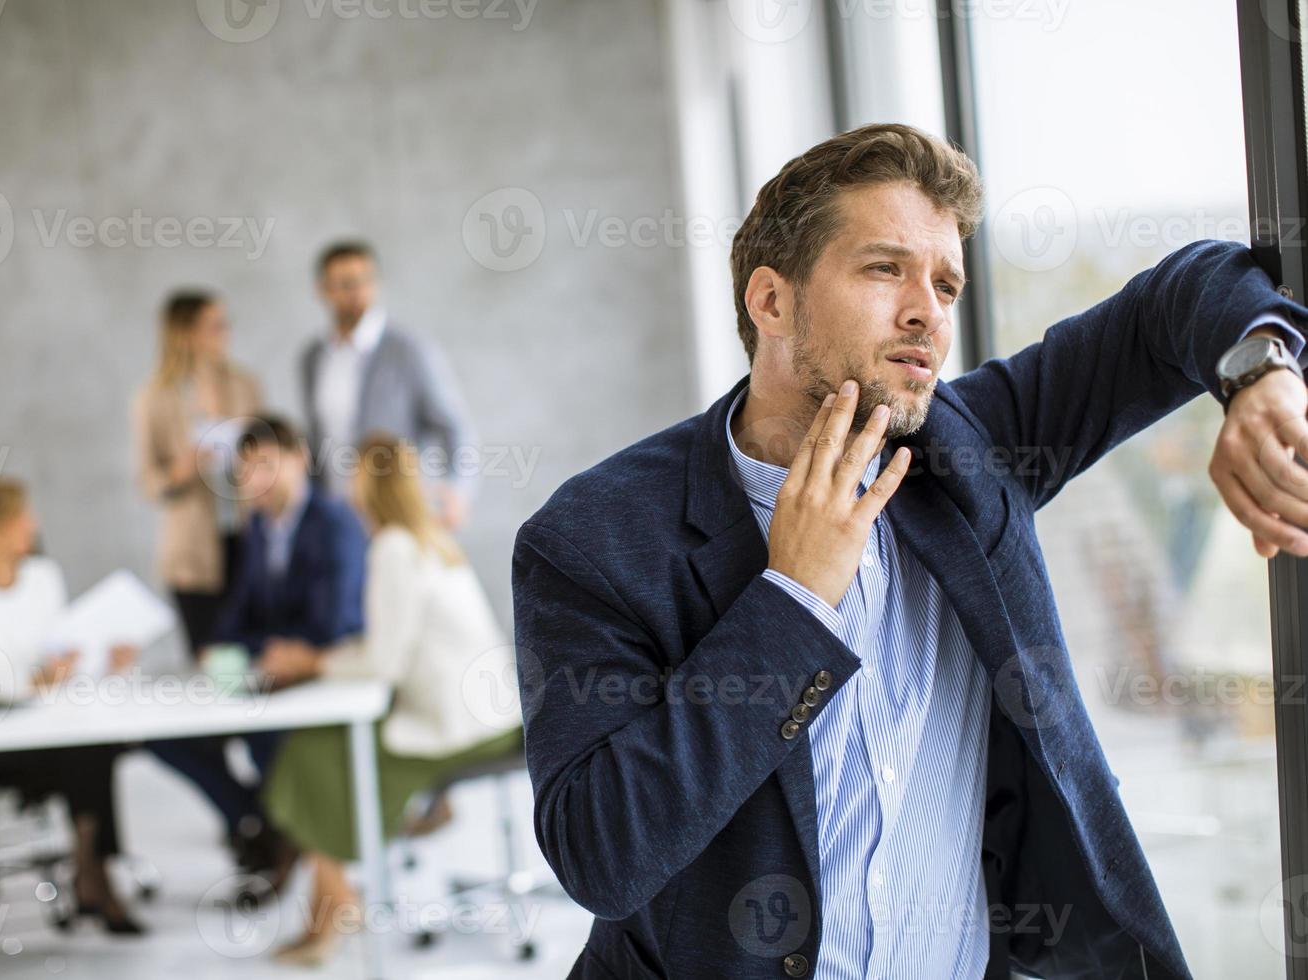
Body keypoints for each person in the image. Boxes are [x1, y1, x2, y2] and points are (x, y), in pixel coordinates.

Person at [510, 122, 1308, 979]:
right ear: (771, 302)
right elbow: (602, 853)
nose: (927, 309)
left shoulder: (975, 450)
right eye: (885, 268)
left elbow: (1182, 295)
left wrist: (1259, 373)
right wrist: (794, 601)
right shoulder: (594, 539)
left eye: (947, 282)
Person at [262, 433, 522, 966]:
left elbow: (385, 662)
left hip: (455, 729)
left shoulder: (393, 548)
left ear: (369, 485)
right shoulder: (429, 538)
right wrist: (327, 658)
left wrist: (310, 662)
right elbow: (392, 643)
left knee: (307, 756)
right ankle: (332, 905)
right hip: (493, 717)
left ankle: (336, 905)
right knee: (317, 744)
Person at [148, 415, 367, 892]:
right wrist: (219, 648)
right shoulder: (260, 530)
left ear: (299, 460)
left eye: (266, 465)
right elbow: (237, 617)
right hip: (266, 675)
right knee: (161, 734)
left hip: (323, 680)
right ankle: (266, 820)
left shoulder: (334, 523)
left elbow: (328, 627)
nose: (254, 481)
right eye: (244, 471)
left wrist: (253, 646)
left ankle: (286, 832)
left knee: (265, 734)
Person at [0, 478, 144, 935]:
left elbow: (64, 655)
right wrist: (29, 682)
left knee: (91, 744)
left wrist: (107, 661)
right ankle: (94, 873)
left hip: (53, 723)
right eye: (23, 517)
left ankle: (91, 866)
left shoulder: (43, 576)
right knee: (88, 752)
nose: (34, 526)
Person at [299, 240, 478, 528]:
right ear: (323, 290)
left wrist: (459, 490)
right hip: (336, 516)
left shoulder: (409, 349)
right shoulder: (314, 357)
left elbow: (453, 425)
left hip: (394, 513)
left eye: (364, 281)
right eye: (345, 283)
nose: (356, 292)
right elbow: (316, 437)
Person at [132, 289, 261, 657]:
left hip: (247, 532)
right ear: (186, 333)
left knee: (253, 652)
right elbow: (147, 480)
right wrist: (181, 470)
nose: (225, 333)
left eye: (225, 324)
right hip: (193, 549)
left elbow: (270, 450)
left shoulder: (244, 385)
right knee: (210, 657)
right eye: (215, 326)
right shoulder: (155, 398)